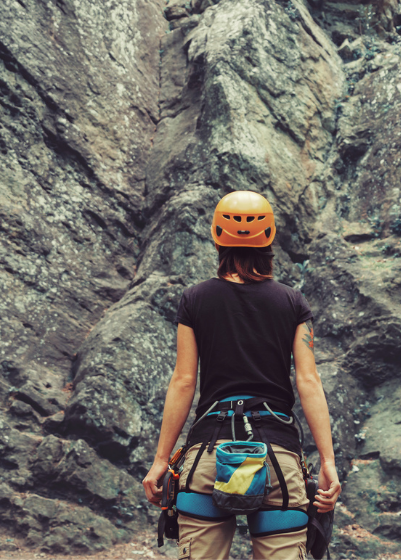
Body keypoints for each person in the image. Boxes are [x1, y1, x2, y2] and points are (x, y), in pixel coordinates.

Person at [142, 190, 341, 559]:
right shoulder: (293, 302)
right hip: (277, 457)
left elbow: (184, 381)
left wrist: (160, 461)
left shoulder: (195, 299)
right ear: (270, 239)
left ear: (217, 238)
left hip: (208, 455)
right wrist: (327, 463)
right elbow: (308, 381)